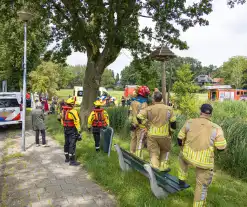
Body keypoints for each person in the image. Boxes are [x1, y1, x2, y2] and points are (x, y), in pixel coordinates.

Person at [177, 104, 227, 207]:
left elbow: (179, 138)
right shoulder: (217, 128)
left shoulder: (189, 122)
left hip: (187, 156)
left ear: (200, 112)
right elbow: (221, 148)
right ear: (211, 114)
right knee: (201, 186)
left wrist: (182, 148)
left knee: (181, 157)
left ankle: (181, 180)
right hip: (204, 162)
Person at [137, 91, 176, 171]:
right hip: (165, 135)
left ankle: (155, 170)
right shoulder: (169, 109)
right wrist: (171, 132)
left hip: (152, 135)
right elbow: (173, 122)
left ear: (153, 99)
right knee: (165, 151)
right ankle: (163, 167)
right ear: (161, 98)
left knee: (153, 153)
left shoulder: (149, 109)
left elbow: (139, 117)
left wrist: (145, 125)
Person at [128, 85, 150, 158]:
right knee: (140, 142)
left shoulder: (133, 102)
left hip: (133, 125)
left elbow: (130, 114)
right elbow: (144, 117)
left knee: (133, 139)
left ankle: (131, 154)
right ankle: (138, 158)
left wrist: (132, 123)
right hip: (141, 126)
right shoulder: (144, 104)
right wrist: (147, 126)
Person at [62, 97, 82, 166]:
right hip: (72, 129)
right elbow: (77, 121)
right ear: (72, 104)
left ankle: (67, 158)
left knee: (66, 143)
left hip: (65, 129)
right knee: (72, 145)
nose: (75, 105)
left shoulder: (63, 110)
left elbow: (62, 120)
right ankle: (72, 161)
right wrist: (79, 131)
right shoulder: (73, 111)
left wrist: (64, 126)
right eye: (74, 104)